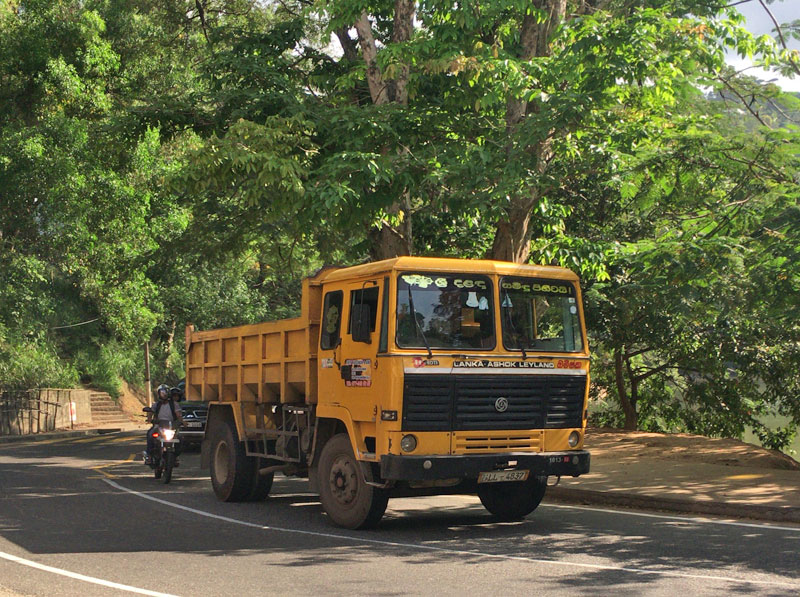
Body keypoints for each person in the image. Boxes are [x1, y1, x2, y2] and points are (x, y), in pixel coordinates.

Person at [144, 383, 183, 465]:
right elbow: (151, 411)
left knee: (179, 438)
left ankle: (176, 456)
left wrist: (181, 421)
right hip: (158, 426)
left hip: (171, 427)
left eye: (165, 392)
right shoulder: (156, 404)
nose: (164, 395)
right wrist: (149, 419)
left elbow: (178, 414)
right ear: (159, 394)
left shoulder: (174, 404)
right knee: (150, 434)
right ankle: (149, 456)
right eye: (162, 393)